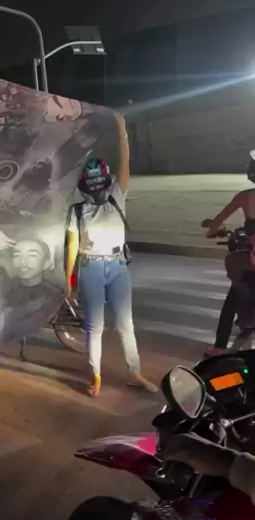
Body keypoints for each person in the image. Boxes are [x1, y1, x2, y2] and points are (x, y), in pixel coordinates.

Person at [65, 112, 157, 398]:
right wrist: (68, 280)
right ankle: (96, 375)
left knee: (125, 324)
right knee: (95, 327)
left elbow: (125, 163)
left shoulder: (117, 195)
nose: (96, 188)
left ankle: (135, 372)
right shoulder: (77, 211)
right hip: (90, 267)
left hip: (118, 267)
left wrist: (122, 131)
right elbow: (72, 246)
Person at [203, 151, 255, 356]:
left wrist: (213, 230)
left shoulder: (245, 197)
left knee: (233, 295)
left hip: (250, 258)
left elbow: (216, 222)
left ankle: (219, 346)